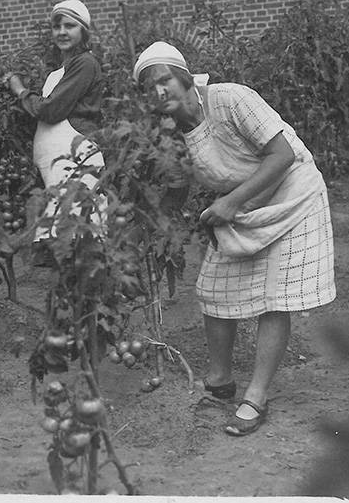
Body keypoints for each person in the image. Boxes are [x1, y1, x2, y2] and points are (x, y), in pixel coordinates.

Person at [133, 42, 336, 436]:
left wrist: (230, 203)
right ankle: (220, 380)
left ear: (184, 77)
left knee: (275, 297)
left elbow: (281, 156)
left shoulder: (230, 99)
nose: (159, 92)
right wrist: (151, 221)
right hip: (244, 204)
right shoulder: (172, 134)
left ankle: (256, 396)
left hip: (293, 196)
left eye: (163, 81)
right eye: (148, 88)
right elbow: (175, 188)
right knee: (213, 288)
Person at [5, 0, 106, 264]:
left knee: (77, 243)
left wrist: (19, 89)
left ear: (83, 31)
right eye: (56, 26)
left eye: (70, 26)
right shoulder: (59, 71)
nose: (62, 31)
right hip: (56, 174)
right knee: (61, 251)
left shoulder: (85, 63)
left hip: (75, 163)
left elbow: (50, 111)